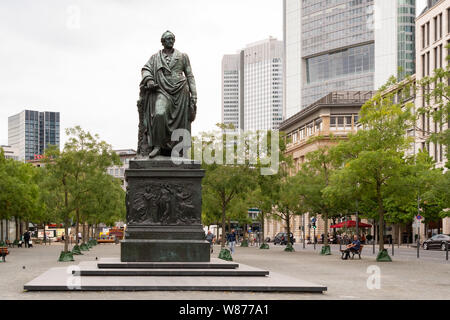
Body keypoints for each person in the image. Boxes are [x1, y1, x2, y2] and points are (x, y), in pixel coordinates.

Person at [138, 30, 197, 158]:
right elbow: (145, 69)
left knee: (181, 122)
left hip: (180, 91)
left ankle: (178, 149)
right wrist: (149, 80)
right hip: (162, 90)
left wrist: (194, 95)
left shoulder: (183, 56)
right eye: (167, 39)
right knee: (159, 114)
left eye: (172, 39)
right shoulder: (155, 57)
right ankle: (157, 146)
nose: (170, 41)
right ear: (162, 42)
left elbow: (190, 76)